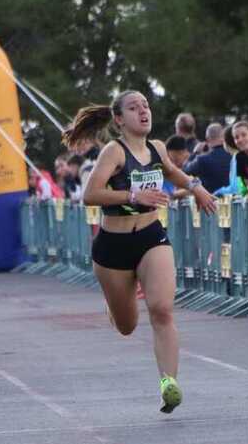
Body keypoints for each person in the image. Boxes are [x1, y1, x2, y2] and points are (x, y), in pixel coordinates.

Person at [64, 90, 217, 414]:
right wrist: (133, 195)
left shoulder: (157, 148)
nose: (143, 111)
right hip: (113, 247)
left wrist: (196, 188)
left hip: (150, 236)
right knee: (126, 326)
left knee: (162, 310)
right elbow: (91, 195)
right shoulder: (113, 152)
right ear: (119, 119)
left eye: (146, 105)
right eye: (134, 108)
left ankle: (168, 383)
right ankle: (115, 301)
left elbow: (171, 173)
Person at [183, 122, 232, 193]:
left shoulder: (202, 159)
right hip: (231, 198)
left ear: (207, 139)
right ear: (223, 137)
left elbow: (185, 171)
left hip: (210, 201)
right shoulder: (233, 156)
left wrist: (195, 153)